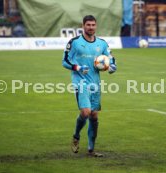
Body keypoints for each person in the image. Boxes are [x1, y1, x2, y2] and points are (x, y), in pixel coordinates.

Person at [62, 15, 117, 157]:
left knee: (94, 116)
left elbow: (111, 59)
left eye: (93, 25)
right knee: (85, 112)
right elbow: (65, 61)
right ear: (83, 26)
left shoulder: (102, 43)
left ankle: (91, 150)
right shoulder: (74, 42)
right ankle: (76, 136)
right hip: (80, 82)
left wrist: (112, 67)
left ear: (96, 26)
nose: (91, 27)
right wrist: (77, 68)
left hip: (95, 83)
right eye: (88, 25)